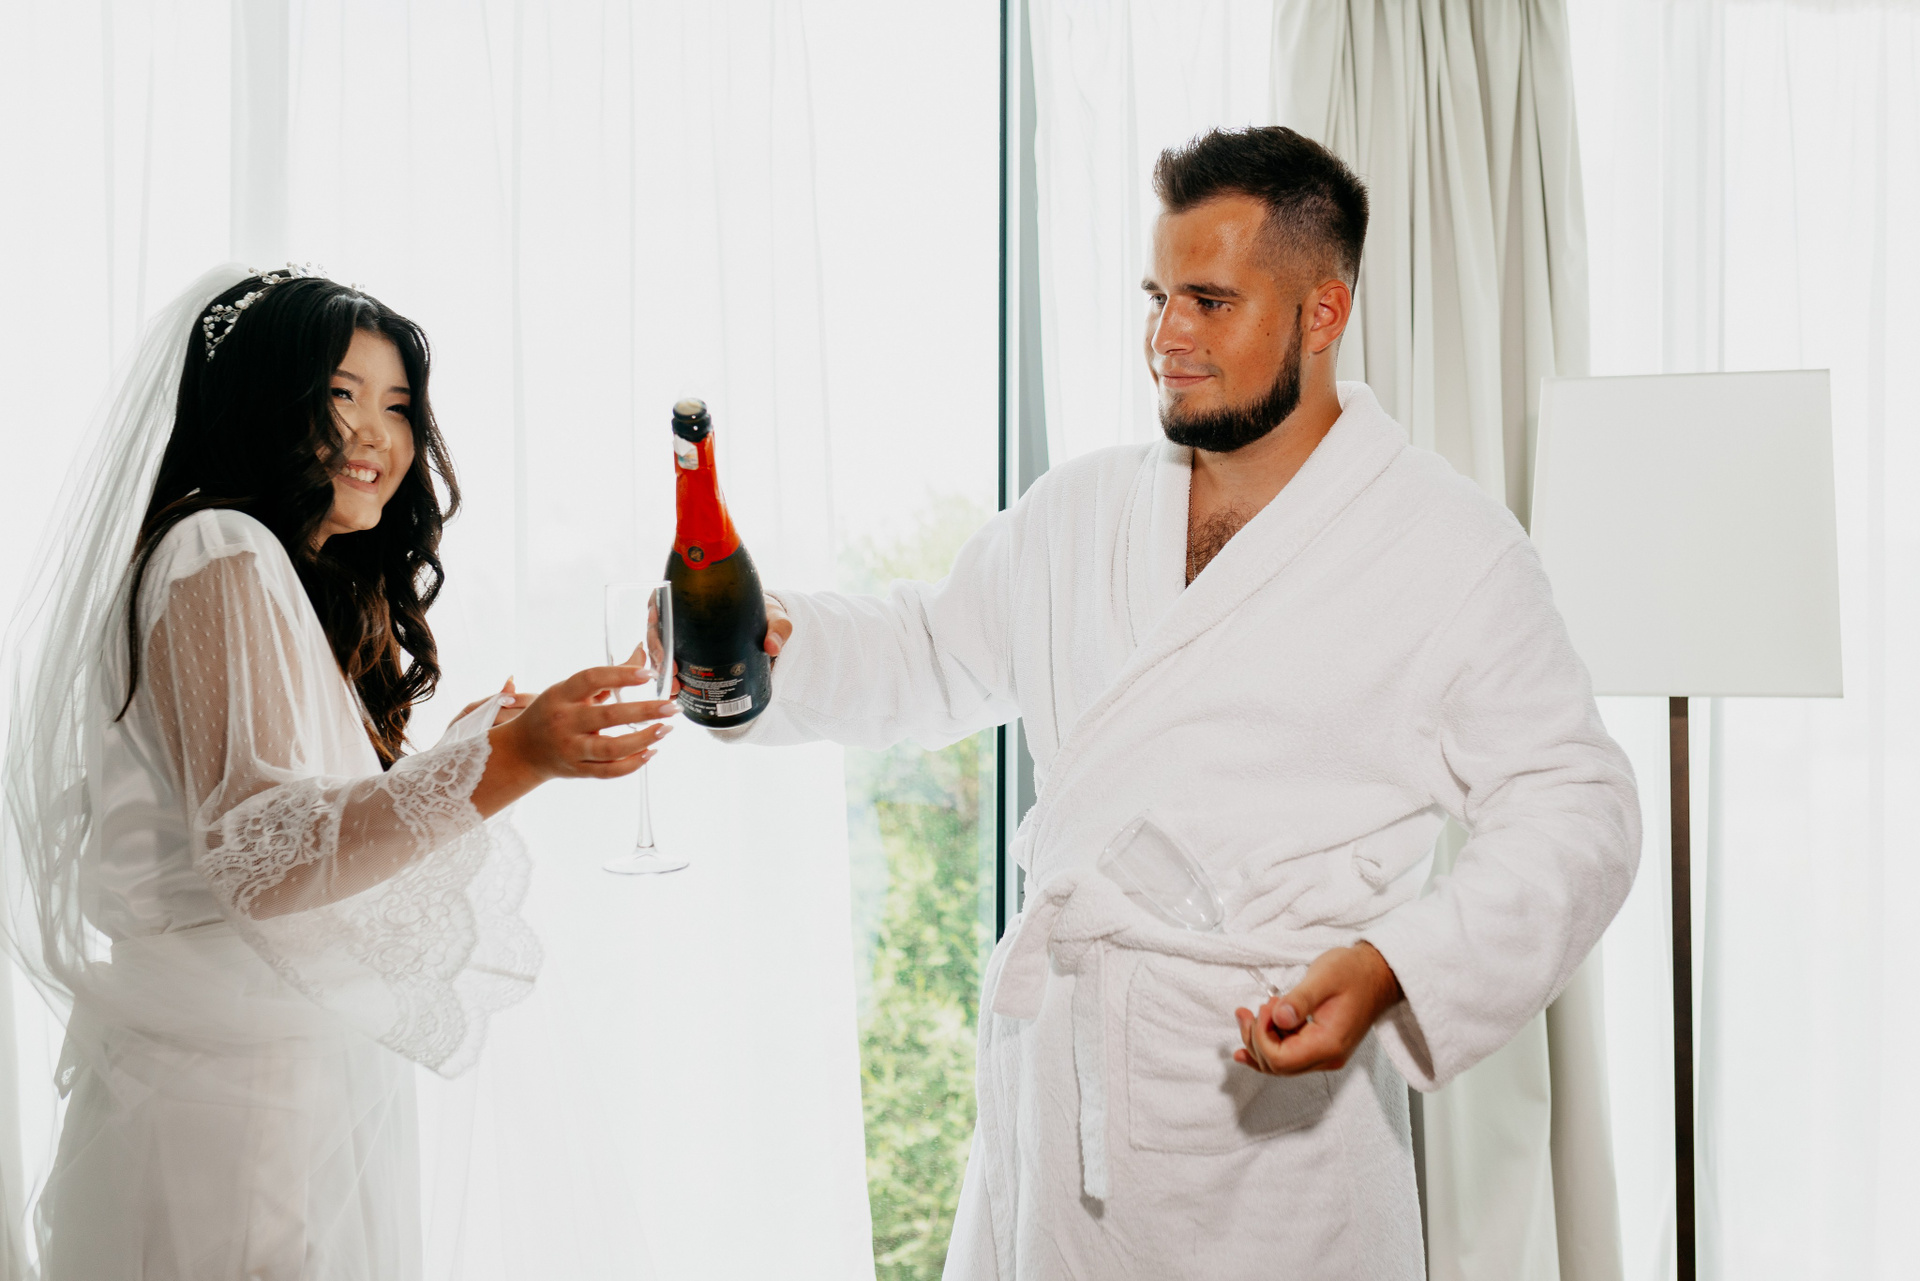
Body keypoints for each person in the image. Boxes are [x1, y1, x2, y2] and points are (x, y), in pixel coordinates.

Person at [731, 128, 1640, 1277]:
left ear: (1322, 312)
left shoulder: (1446, 550)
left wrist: (1392, 966)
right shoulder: (1081, 511)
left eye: (1209, 302)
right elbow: (925, 648)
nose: (1167, 336)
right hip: (1057, 1115)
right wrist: (771, 639)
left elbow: (1580, 809)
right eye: (1157, 298)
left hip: (1270, 1135)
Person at [0, 265, 677, 1278]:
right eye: (340, 393)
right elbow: (260, 856)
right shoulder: (217, 549)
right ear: (260, 398)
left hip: (275, 1092)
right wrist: (509, 759)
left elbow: (305, 842)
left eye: (397, 405)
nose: (374, 434)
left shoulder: (268, 574)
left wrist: (465, 752)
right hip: (228, 1116)